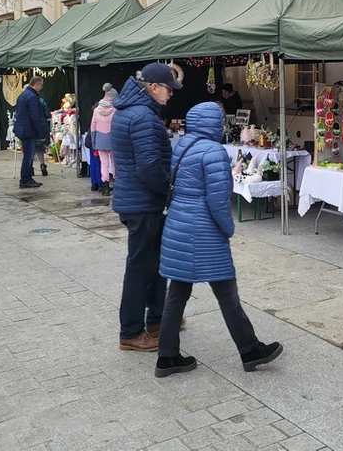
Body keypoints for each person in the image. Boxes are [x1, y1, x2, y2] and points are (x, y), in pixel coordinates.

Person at [155, 102, 283, 377]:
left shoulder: (182, 144)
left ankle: (166, 357)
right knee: (227, 294)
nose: (223, 125)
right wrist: (228, 228)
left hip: (179, 224)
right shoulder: (213, 151)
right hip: (204, 230)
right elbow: (217, 200)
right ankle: (250, 350)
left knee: (177, 293)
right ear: (213, 122)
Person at [111, 63, 182, 352]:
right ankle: (130, 331)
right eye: (168, 89)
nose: (171, 95)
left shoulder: (131, 110)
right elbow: (150, 167)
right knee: (140, 268)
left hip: (138, 200)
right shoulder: (143, 117)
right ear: (153, 87)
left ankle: (156, 319)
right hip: (143, 202)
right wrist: (170, 189)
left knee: (152, 264)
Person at [13, 76, 46, 189]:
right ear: (37, 84)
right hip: (28, 130)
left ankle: (27, 178)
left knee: (27, 155)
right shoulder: (32, 97)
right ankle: (25, 179)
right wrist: (41, 134)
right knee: (28, 156)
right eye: (41, 85)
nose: (41, 88)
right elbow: (35, 117)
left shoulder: (23, 95)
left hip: (22, 129)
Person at [90, 86, 118, 195]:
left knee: (104, 164)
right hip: (113, 138)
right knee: (115, 162)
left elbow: (93, 127)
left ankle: (105, 187)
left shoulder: (96, 110)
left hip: (100, 139)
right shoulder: (115, 110)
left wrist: (94, 142)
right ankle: (116, 185)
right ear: (112, 98)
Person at [36, 95, 52, 177]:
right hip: (42, 127)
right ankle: (42, 164)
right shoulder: (41, 101)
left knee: (30, 148)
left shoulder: (24, 101)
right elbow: (48, 115)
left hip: (30, 127)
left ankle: (30, 168)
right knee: (39, 148)